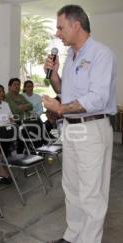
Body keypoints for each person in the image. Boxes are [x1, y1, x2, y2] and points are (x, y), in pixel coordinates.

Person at [43, 5, 116, 243]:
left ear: (76, 25)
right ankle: (72, 236)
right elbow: (66, 92)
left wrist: (60, 109)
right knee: (72, 188)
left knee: (91, 193)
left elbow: (97, 98)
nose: (57, 33)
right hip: (72, 129)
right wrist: (54, 77)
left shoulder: (101, 54)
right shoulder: (71, 56)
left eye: (60, 27)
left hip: (92, 128)